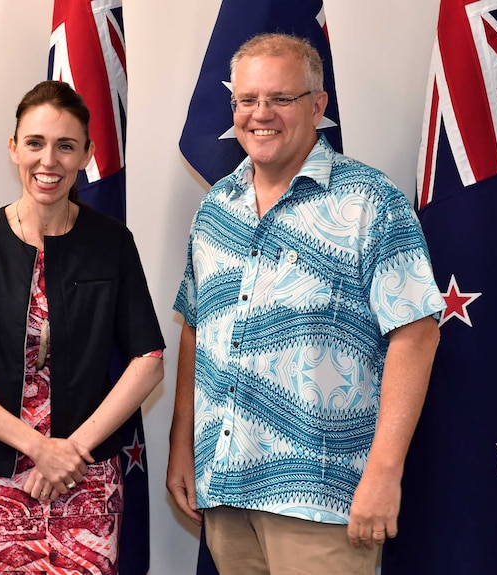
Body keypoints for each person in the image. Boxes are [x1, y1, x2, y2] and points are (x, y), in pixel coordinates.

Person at [167, 33, 446, 574]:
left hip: (323, 500)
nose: (260, 114)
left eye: (280, 99)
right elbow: (195, 328)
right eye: (246, 101)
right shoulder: (217, 206)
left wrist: (385, 473)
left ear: (318, 106)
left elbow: (417, 332)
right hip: (226, 488)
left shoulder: (370, 203)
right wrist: (183, 443)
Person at [0, 80, 165, 575]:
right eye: (35, 143)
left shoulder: (111, 242)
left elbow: (149, 361)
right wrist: (37, 448)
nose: (48, 160)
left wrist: (70, 452)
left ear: (87, 155)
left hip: (85, 483)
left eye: (65, 146)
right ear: (14, 149)